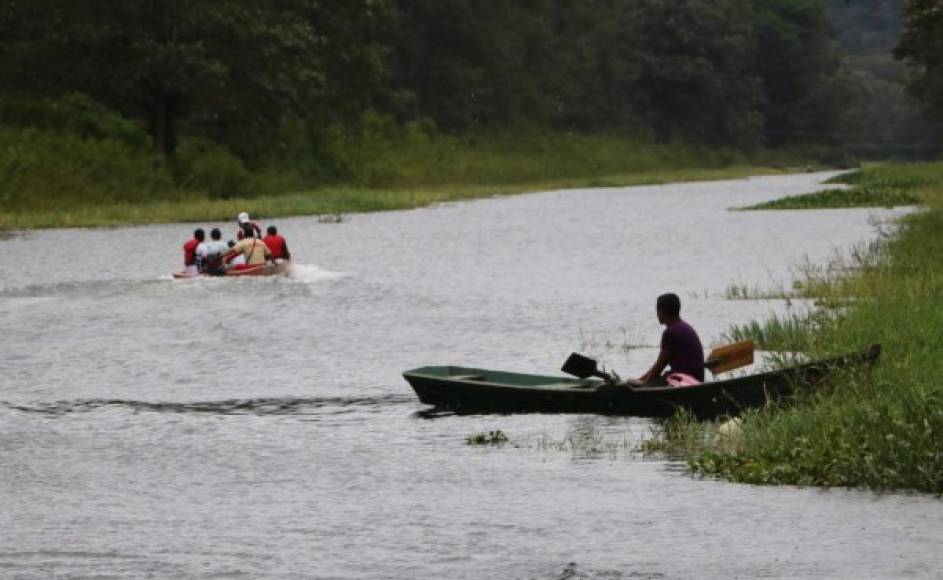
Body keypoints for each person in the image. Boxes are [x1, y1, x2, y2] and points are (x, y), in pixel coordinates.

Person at [629, 293, 705, 386]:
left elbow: (659, 366)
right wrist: (640, 380)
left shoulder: (670, 332)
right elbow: (657, 366)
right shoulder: (685, 327)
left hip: (684, 382)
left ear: (662, 312)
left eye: (657, 311)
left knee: (641, 389)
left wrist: (644, 383)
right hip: (695, 379)